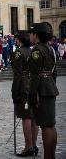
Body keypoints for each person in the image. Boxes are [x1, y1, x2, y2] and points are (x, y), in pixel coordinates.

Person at [28, 23, 59, 159]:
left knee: (46, 126)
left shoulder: (36, 50)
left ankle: (48, 156)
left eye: (31, 33)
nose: (30, 36)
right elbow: (53, 72)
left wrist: (32, 95)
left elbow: (35, 76)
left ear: (36, 35)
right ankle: (51, 155)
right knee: (51, 125)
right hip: (50, 87)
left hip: (41, 90)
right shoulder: (50, 49)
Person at [12, 30, 39, 157]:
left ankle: (28, 147)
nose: (16, 40)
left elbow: (17, 74)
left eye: (17, 39)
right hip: (34, 85)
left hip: (23, 86)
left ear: (20, 40)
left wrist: (14, 91)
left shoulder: (19, 52)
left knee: (26, 117)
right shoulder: (33, 50)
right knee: (33, 116)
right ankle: (33, 145)